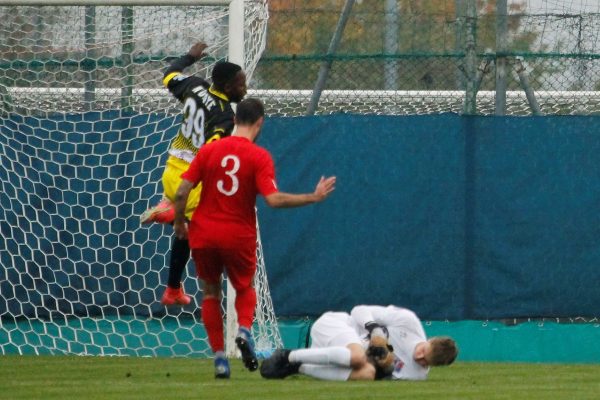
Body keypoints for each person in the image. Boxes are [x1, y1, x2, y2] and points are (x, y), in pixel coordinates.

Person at [173, 97, 336, 379]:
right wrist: (313, 196)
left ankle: (220, 359)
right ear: (259, 123)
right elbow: (273, 199)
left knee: (211, 292)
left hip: (204, 232)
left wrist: (178, 222)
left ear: (235, 120)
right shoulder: (259, 157)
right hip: (238, 234)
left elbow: (182, 191)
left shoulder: (210, 150)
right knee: (245, 287)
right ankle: (245, 330)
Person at [140, 42, 247, 307]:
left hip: (171, 167)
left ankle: (173, 289)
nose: (244, 88)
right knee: (204, 225)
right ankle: (170, 212)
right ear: (226, 86)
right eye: (240, 84)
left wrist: (190, 57)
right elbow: (208, 154)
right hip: (189, 179)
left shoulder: (194, 85)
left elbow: (169, 73)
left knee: (187, 229)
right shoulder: (224, 116)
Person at [260, 304, 458, 381]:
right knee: (357, 355)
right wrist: (374, 331)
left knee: (367, 374)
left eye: (425, 361)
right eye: (423, 350)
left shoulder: (417, 375)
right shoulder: (408, 321)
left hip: (333, 355)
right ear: (429, 340)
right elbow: (359, 310)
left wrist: (384, 366)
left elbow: (383, 376)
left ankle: (297, 368)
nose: (419, 357)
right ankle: (287, 355)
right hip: (336, 326)